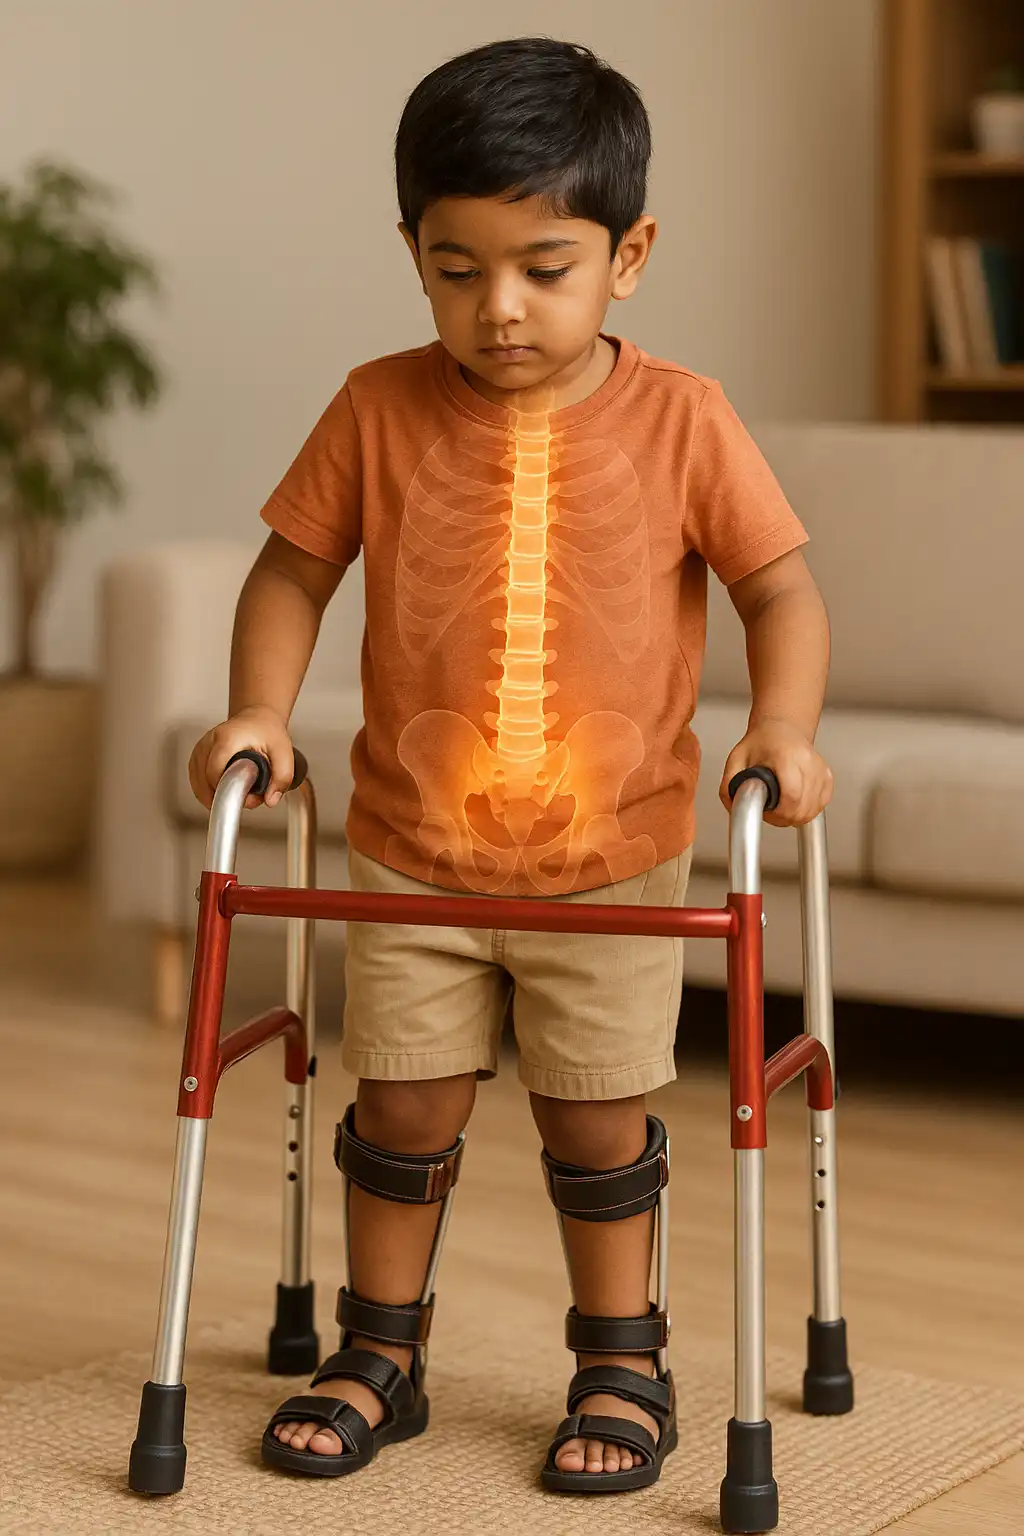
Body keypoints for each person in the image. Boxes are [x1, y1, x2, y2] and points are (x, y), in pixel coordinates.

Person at [188, 35, 832, 1496]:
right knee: (404, 1106)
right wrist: (258, 713)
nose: (503, 307)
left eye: (546, 265)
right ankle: (381, 1346)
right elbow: (290, 573)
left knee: (597, 1111)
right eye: (457, 267)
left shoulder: (685, 419)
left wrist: (782, 727)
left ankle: (621, 1354)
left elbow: (780, 588)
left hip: (614, 855)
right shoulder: (375, 404)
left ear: (631, 251)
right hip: (413, 842)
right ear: (412, 255)